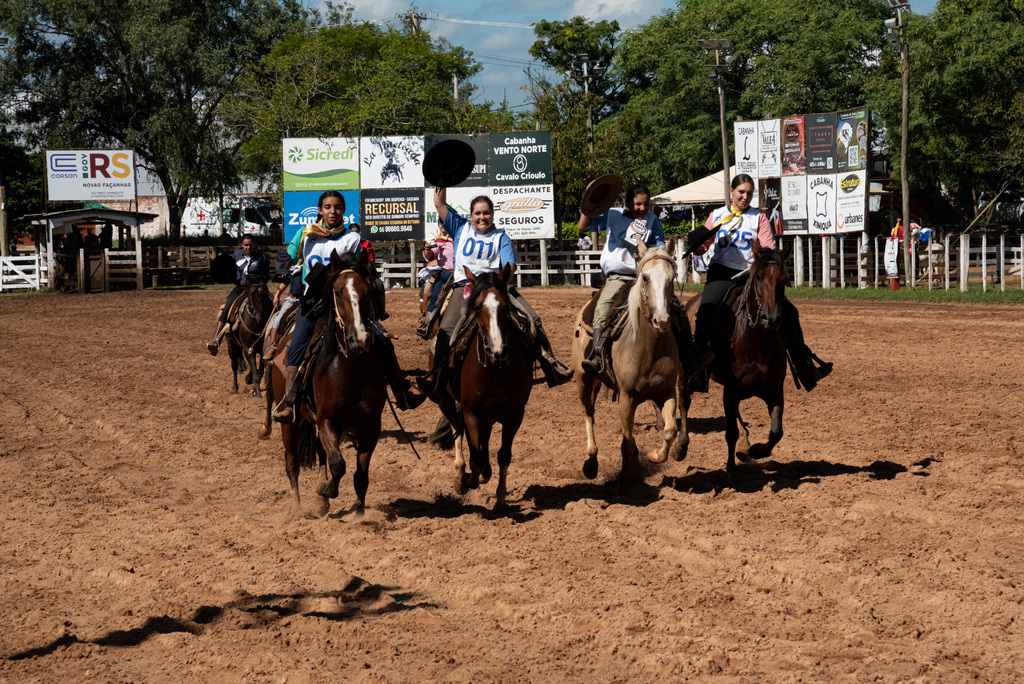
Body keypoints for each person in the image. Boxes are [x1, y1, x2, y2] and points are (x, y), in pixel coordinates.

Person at [273, 191, 424, 423]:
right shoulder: (305, 235)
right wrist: (289, 263)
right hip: (313, 301)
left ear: (343, 210)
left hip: (342, 301)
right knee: (298, 340)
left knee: (382, 339)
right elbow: (290, 256)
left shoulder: (352, 238)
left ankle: (401, 391)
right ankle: (290, 400)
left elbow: (356, 269)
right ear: (320, 210)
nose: (333, 211)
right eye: (327, 207)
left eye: (337, 207)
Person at [417, 187, 574, 393]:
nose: (482, 217)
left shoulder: (502, 237)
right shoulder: (460, 227)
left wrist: (501, 283)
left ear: (492, 214)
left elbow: (510, 265)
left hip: (496, 287)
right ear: (471, 215)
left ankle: (550, 366)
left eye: (486, 213)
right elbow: (439, 204)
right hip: (465, 286)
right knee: (446, 329)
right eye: (478, 213)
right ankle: (437, 376)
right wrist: (442, 182)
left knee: (533, 319)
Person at [690, 173, 832, 391]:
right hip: (721, 273)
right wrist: (696, 244)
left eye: (749, 193)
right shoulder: (717, 215)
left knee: (788, 311)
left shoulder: (759, 218)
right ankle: (699, 371)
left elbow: (767, 249)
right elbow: (704, 246)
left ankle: (805, 366)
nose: (745, 197)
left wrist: (765, 258)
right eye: (741, 192)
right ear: (731, 191)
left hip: (750, 275)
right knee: (706, 312)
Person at [577, 183, 667, 376]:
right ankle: (597, 353)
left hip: (645, 277)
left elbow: (661, 247)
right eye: (638, 204)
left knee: (672, 305)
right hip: (618, 277)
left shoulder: (652, 220)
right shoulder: (612, 215)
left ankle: (687, 352)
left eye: (646, 204)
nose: (643, 208)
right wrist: (589, 205)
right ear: (627, 203)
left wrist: (645, 254)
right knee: (602, 307)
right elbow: (583, 227)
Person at [206, 234, 269, 356]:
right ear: (241, 245)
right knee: (227, 308)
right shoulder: (236, 255)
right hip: (241, 288)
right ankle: (216, 340)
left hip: (257, 289)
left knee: (275, 306)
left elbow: (265, 274)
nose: (248, 247)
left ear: (254, 245)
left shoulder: (262, 257)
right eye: (246, 245)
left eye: (250, 245)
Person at [263, 249, 302, 361]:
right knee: (278, 319)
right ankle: (272, 346)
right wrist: (277, 294)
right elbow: (285, 283)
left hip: (307, 300)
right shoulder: (291, 267)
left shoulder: (310, 265)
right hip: (292, 300)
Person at [349, 223, 388, 320]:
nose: (356, 234)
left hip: (366, 271)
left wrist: (365, 262)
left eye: (357, 232)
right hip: (350, 271)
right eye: (353, 232)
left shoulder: (366, 244)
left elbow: (372, 261)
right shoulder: (347, 244)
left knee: (379, 284)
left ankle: (382, 310)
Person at [420, 221, 454, 320]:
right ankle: (427, 322)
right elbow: (430, 254)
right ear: (438, 225)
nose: (443, 225)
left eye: (445, 222)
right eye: (441, 223)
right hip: (446, 273)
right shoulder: (438, 241)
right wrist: (427, 248)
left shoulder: (459, 238)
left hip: (462, 274)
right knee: (435, 297)